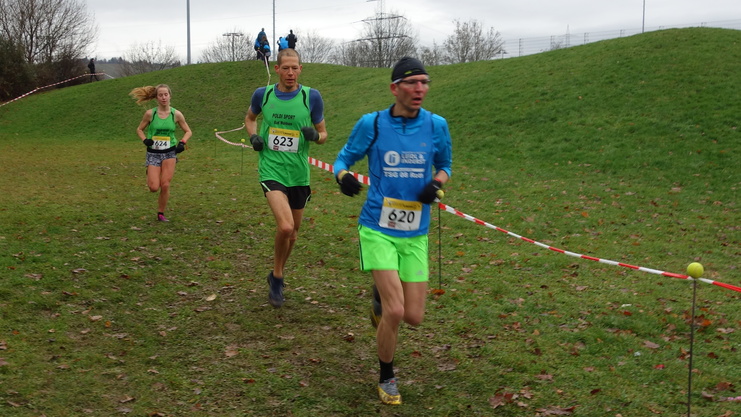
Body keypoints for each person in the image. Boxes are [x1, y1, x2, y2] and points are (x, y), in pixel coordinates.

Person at [333, 56, 452, 405]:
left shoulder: (436, 125)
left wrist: (436, 183)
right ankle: (387, 376)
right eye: (412, 83)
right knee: (396, 312)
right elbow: (342, 159)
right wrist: (343, 177)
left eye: (424, 82)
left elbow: (445, 165)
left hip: (415, 232)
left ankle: (379, 299)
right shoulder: (372, 124)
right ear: (394, 88)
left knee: (413, 317)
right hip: (377, 228)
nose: (420, 89)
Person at [244, 48, 327, 308]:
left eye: (295, 68)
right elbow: (250, 118)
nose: (290, 73)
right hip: (272, 169)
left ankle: (275, 272)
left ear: (300, 69)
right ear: (277, 69)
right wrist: (254, 136)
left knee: (293, 234)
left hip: (298, 173)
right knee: (286, 227)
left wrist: (316, 136)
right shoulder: (263, 94)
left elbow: (324, 133)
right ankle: (278, 277)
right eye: (286, 68)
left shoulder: (311, 97)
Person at [130, 84, 193, 222]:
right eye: (160, 95)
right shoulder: (150, 114)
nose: (163, 97)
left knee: (165, 185)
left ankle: (161, 213)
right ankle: (150, 172)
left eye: (166, 94)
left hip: (169, 152)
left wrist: (182, 143)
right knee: (154, 187)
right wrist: (145, 140)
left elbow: (188, 131)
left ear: (170, 96)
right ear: (156, 98)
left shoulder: (176, 114)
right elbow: (139, 129)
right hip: (153, 153)